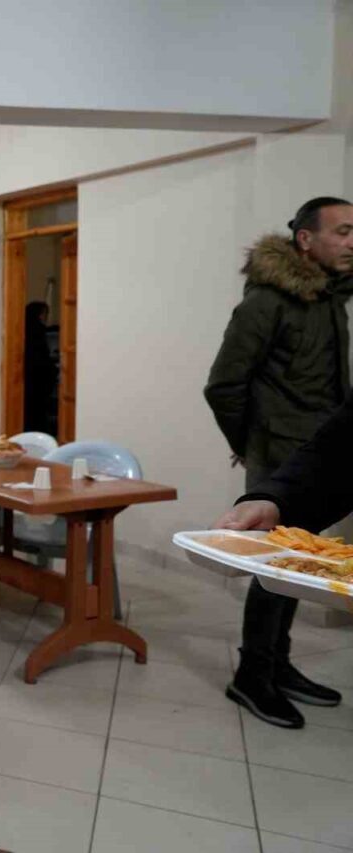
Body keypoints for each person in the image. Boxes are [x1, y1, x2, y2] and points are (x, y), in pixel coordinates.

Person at [205, 196, 353, 728]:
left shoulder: (330, 298)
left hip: (324, 460)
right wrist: (250, 442)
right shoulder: (266, 302)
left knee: (297, 568)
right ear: (306, 240)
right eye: (343, 231)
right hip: (280, 460)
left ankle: (279, 665)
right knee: (273, 570)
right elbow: (223, 385)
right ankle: (252, 675)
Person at [23, 301, 56, 434]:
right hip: (39, 375)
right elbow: (43, 355)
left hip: (28, 376)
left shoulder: (21, 328)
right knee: (39, 410)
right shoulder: (39, 330)